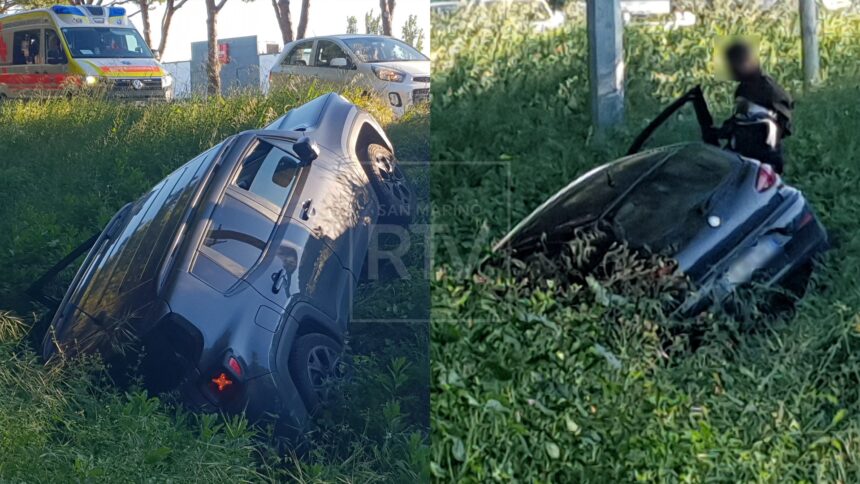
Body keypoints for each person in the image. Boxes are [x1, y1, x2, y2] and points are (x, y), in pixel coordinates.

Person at [713, 40, 794, 174]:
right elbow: (739, 119)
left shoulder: (768, 89)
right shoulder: (743, 88)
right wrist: (721, 132)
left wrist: (769, 149)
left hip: (764, 157)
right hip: (742, 154)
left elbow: (782, 123)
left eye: (736, 64)